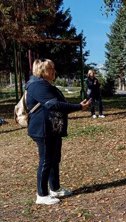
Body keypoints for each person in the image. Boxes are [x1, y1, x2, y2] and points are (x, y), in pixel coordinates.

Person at [26, 59, 91, 205]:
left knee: (54, 159)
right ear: (42, 71)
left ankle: (55, 188)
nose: (54, 71)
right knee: (46, 160)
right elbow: (53, 104)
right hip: (42, 129)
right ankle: (41, 195)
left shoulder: (45, 84)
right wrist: (78, 107)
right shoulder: (36, 85)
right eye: (51, 69)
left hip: (52, 128)